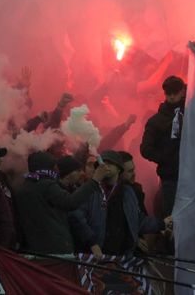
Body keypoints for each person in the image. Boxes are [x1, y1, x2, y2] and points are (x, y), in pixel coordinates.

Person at [70, 151, 168, 258]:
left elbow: (137, 220)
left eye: (109, 163)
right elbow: (77, 218)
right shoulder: (91, 190)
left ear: (119, 169)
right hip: (96, 255)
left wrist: (162, 223)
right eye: (101, 164)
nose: (104, 166)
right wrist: (92, 243)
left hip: (122, 256)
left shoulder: (128, 192)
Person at [14, 151, 110, 254]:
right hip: (53, 250)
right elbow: (70, 202)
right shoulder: (47, 185)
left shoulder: (23, 188)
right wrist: (95, 180)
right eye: (54, 167)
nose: (57, 170)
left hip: (33, 249)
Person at [140, 75, 185, 219]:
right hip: (171, 178)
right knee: (172, 219)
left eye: (175, 92)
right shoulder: (156, 121)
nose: (172, 96)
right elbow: (145, 149)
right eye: (168, 93)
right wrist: (167, 158)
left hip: (193, 175)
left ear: (182, 91)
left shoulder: (192, 114)